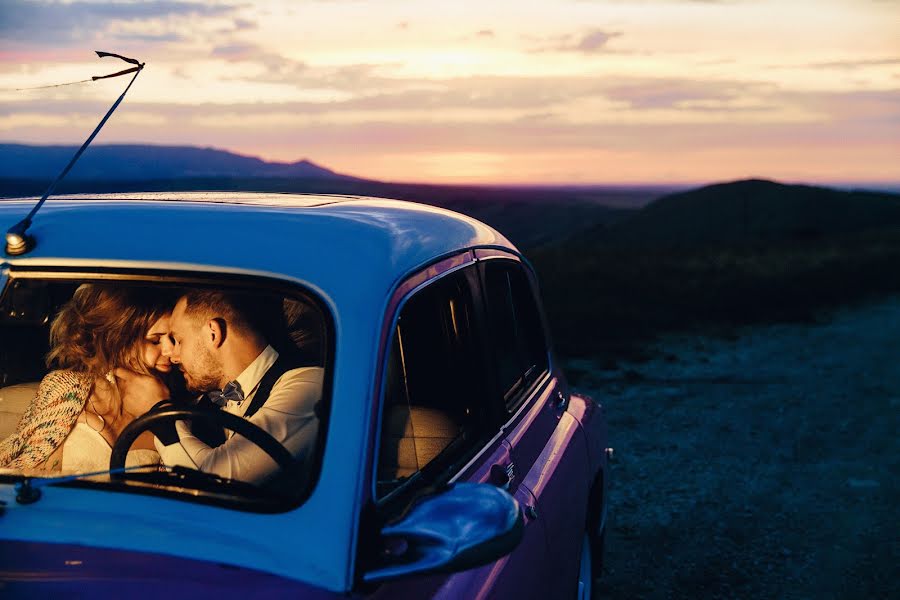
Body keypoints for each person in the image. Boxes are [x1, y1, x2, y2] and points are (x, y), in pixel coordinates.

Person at [131, 290, 324, 487]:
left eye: (179, 341)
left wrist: (160, 410)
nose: (173, 356)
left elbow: (211, 481)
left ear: (213, 333)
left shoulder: (309, 387)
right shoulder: (202, 405)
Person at [0, 284, 177, 472]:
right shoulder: (66, 388)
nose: (171, 351)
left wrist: (162, 410)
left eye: (174, 339)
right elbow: (24, 471)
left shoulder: (175, 407)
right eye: (155, 341)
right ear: (117, 340)